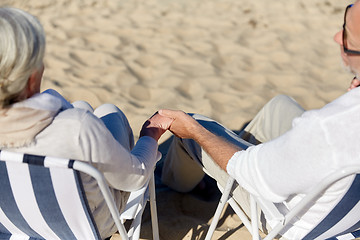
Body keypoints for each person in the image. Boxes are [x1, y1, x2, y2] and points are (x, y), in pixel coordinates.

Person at [158, 1, 360, 239]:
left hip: (286, 218)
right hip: (349, 208)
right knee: (279, 107)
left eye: (347, 36)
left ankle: (177, 184)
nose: (337, 37)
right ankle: (215, 165)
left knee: (193, 126)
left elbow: (250, 171)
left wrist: (196, 132)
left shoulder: (326, 126)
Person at [0, 7, 171, 239]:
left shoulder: (74, 125)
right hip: (90, 226)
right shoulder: (75, 128)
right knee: (110, 113)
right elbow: (135, 178)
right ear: (31, 77)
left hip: (20, 224)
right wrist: (150, 134)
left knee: (81, 106)